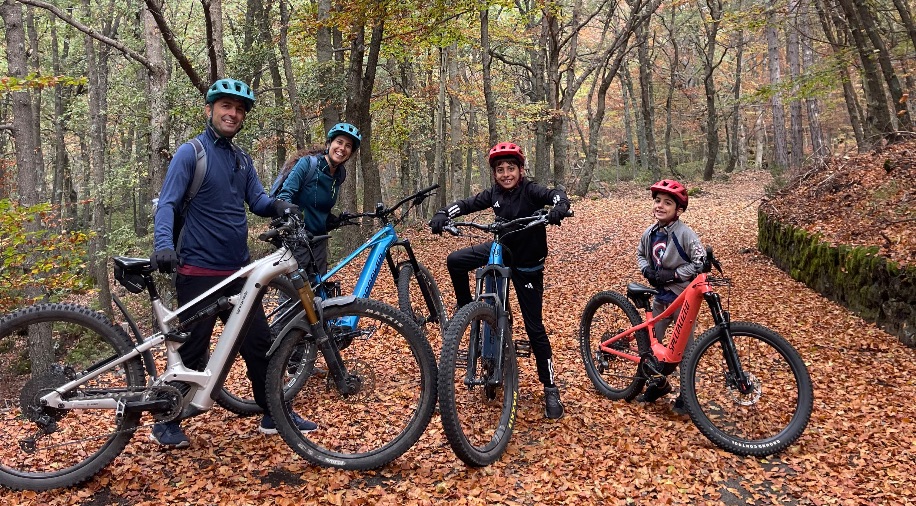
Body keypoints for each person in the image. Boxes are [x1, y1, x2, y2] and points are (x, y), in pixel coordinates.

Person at [150, 78, 315, 447]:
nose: (233, 113)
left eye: (239, 109)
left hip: (240, 272)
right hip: (198, 271)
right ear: (210, 110)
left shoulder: (242, 159)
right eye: (226, 106)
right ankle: (167, 421)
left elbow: (256, 200)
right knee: (193, 350)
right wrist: (163, 243)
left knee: (259, 343)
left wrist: (280, 205)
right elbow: (168, 204)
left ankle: (274, 412)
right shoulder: (191, 153)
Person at [428, 142, 571, 420]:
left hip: (528, 264)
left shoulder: (531, 190)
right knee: (455, 261)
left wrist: (560, 206)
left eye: (511, 168)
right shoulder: (493, 193)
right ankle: (466, 307)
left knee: (534, 327)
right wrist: (443, 213)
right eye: (500, 170)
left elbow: (555, 194)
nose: (506, 174)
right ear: (494, 174)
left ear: (520, 169)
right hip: (502, 251)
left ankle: (550, 388)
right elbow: (467, 204)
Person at [634, 179, 706, 411]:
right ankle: (657, 384)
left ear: (679, 210)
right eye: (657, 201)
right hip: (660, 299)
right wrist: (646, 270)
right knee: (652, 345)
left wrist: (674, 274)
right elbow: (641, 254)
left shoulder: (685, 234)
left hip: (683, 298)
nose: (660, 206)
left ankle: (687, 395)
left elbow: (700, 262)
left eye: (667, 203)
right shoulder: (650, 233)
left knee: (686, 348)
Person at [275, 122, 360, 279]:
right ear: (329, 143)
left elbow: (318, 206)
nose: (342, 148)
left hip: (318, 240)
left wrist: (331, 220)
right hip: (297, 240)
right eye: (339, 142)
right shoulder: (307, 164)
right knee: (295, 294)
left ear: (350, 153)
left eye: (348, 146)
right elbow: (285, 195)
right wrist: (294, 223)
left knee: (318, 292)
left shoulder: (339, 175)